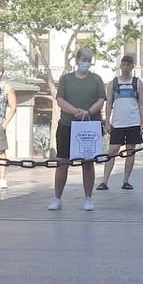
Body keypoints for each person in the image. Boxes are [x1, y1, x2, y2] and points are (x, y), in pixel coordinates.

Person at [50, 46, 108, 211]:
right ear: (78, 60)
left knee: (88, 163)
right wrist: (74, 111)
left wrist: (88, 112)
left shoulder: (96, 79)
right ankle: (57, 198)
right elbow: (60, 99)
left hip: (89, 125)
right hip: (67, 124)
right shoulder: (66, 79)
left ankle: (88, 198)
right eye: (84, 60)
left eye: (89, 60)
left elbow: (100, 100)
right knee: (62, 162)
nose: (87, 63)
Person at [107, 54, 143, 190]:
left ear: (132, 67)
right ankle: (104, 180)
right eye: (123, 64)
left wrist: (142, 122)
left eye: (128, 65)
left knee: (130, 151)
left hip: (133, 122)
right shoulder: (113, 83)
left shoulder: (137, 83)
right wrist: (107, 121)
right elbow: (108, 104)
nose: (125, 67)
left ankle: (126, 180)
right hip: (117, 122)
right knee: (112, 150)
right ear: (120, 66)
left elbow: (142, 103)